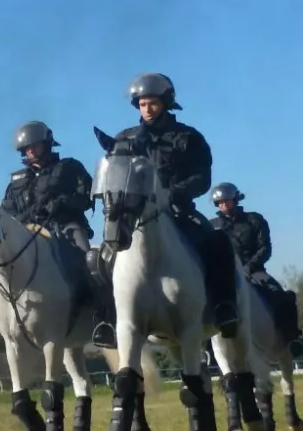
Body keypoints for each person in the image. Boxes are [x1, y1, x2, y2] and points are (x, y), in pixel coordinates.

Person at [90, 73, 240, 349]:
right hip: (136, 215)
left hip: (180, 210)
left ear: (166, 103)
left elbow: (201, 177)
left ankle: (224, 308)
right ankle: (108, 319)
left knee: (218, 242)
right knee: (100, 256)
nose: (147, 109)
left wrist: (174, 193)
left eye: (153, 103)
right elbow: (114, 175)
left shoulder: (188, 137)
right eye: (142, 104)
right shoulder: (125, 138)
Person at [0, 121, 94, 352]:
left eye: (34, 146)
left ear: (47, 143)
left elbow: (87, 197)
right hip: (30, 234)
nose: (30, 151)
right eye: (25, 148)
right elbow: (7, 213)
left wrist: (62, 204)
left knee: (89, 261)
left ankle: (103, 315)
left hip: (67, 228)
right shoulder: (16, 182)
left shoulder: (70, 167)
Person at [210, 183, 302, 352]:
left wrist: (249, 267)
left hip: (254, 270)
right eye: (219, 203)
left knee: (279, 295)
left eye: (227, 201)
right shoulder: (212, 226)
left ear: (236, 199)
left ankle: (290, 338)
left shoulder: (254, 220)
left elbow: (265, 247)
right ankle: (207, 349)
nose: (223, 205)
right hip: (226, 274)